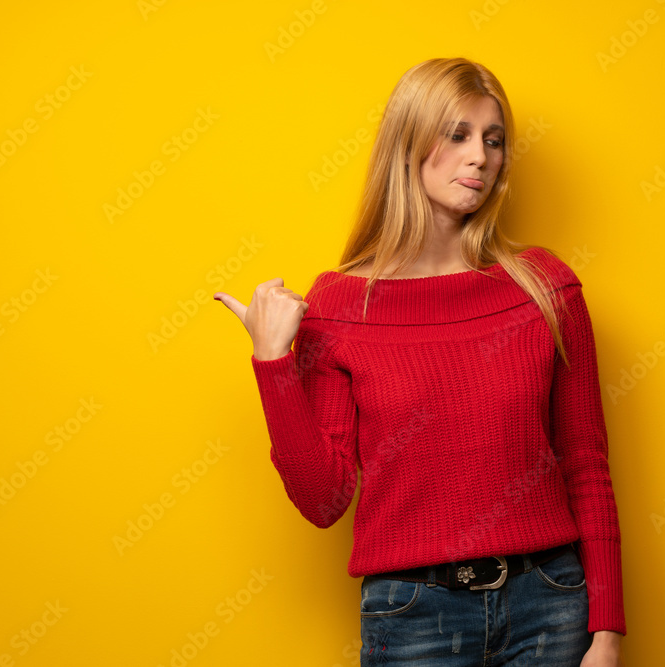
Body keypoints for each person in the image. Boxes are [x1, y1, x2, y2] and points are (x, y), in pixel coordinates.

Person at [214, 56, 626, 666]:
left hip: (550, 605)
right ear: (407, 144)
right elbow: (323, 501)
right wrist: (273, 361)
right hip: (413, 618)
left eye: (493, 140)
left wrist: (608, 632)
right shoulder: (340, 306)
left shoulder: (545, 287)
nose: (479, 156)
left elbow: (586, 463)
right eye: (457, 135)